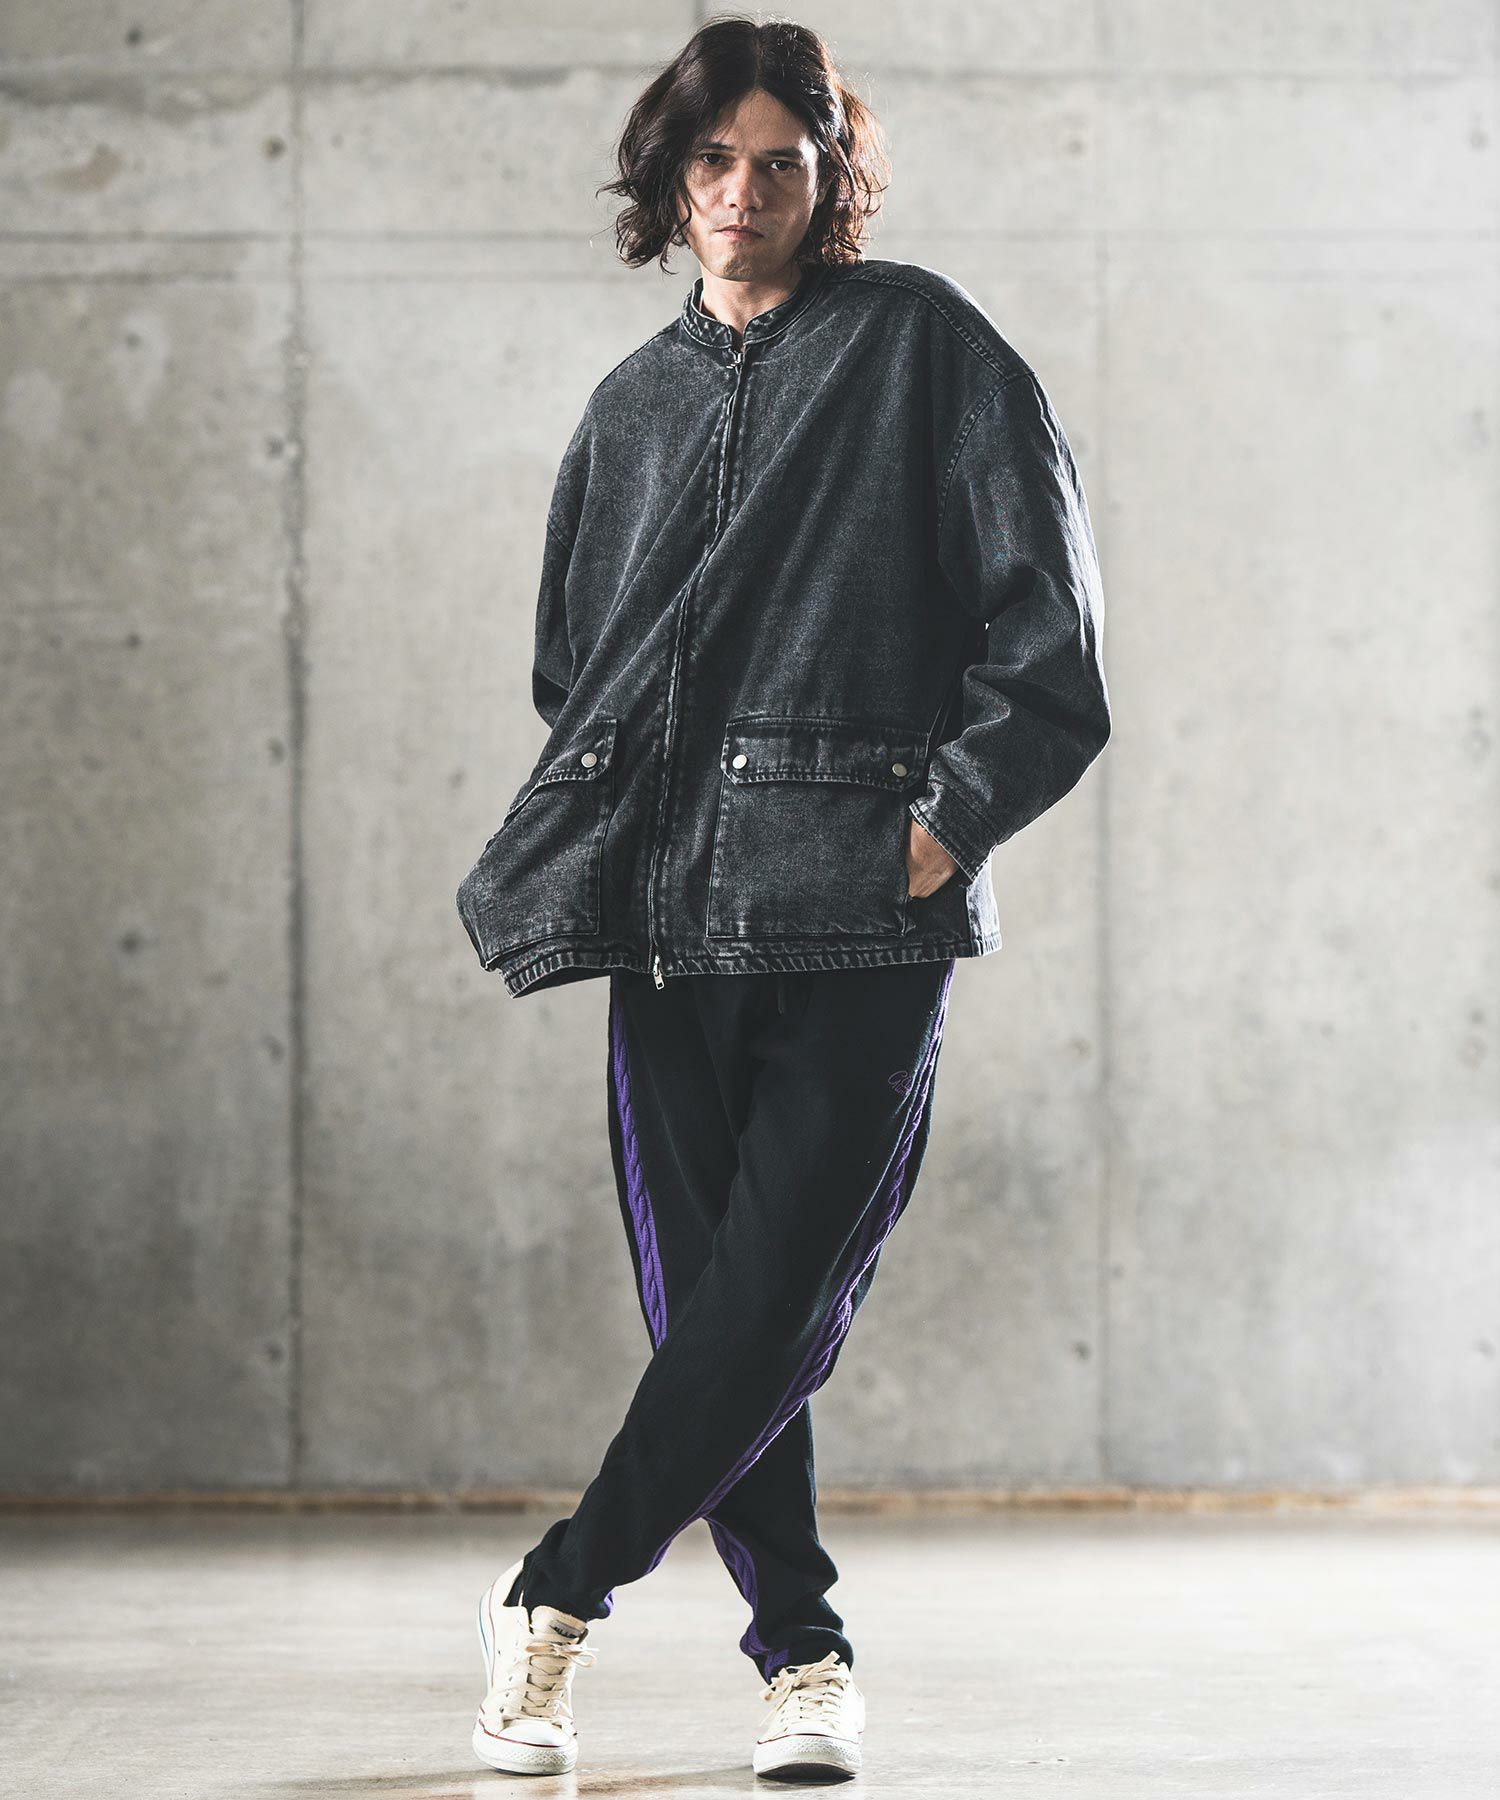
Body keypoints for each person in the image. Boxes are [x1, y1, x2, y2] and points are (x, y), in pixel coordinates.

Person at [457, 13, 1111, 1782]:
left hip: (859, 920)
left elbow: (1051, 651)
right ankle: (804, 1656)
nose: (742, 192)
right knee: (721, 1318)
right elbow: (576, 675)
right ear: (667, 180)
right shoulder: (631, 408)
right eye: (712, 160)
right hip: (668, 926)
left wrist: (936, 832)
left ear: (830, 179)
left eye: (778, 162)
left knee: (777, 1295)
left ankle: (558, 1589)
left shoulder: (924, 351)